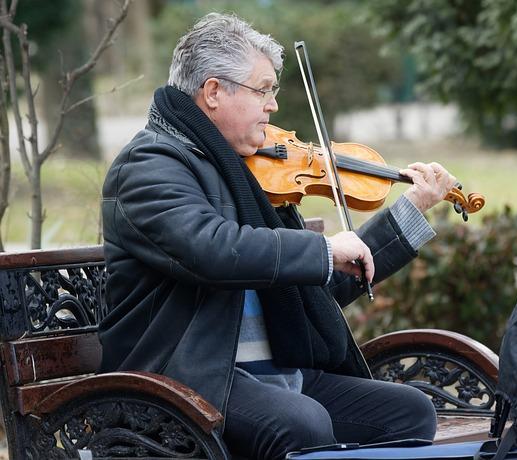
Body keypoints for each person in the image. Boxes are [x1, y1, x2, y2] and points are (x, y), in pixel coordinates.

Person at [99, 12, 458, 460]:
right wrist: (323, 248)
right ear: (213, 92)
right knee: (302, 422)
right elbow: (211, 249)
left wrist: (411, 212)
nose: (272, 106)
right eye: (262, 90)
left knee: (410, 412)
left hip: (274, 376)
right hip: (186, 380)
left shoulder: (249, 172)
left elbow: (318, 287)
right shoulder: (149, 165)